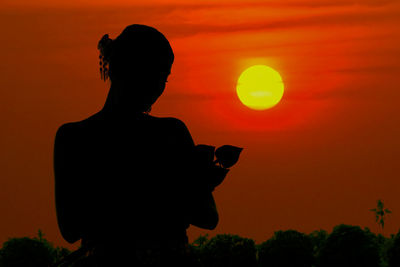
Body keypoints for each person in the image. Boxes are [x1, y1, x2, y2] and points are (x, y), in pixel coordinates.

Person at [53, 24, 222, 266]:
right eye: (155, 73)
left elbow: (71, 229)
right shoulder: (171, 133)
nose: (160, 85)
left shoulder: (74, 137)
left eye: (165, 76)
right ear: (126, 69)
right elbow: (206, 216)